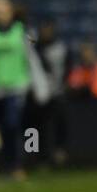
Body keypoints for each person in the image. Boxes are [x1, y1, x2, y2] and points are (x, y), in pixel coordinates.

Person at [0, 0, 31, 179]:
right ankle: (5, 165)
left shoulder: (22, 32)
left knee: (13, 124)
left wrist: (37, 84)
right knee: (0, 129)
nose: (0, 15)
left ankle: (18, 164)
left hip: (16, 86)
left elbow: (30, 59)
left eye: (3, 11)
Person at [30, 19, 69, 166]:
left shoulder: (60, 48)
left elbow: (67, 68)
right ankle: (33, 154)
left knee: (59, 123)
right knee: (34, 126)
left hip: (56, 91)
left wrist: (62, 84)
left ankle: (60, 151)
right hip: (37, 92)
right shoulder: (35, 49)